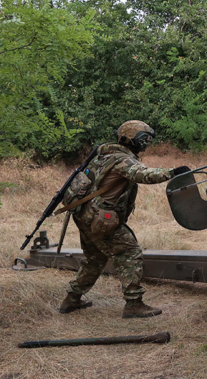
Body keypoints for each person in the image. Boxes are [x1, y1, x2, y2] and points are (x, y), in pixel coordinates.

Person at [58, 120, 190, 318]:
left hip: (84, 215)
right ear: (131, 139)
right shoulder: (122, 160)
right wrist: (171, 173)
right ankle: (133, 304)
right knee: (130, 253)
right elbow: (142, 174)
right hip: (100, 219)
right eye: (144, 139)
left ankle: (71, 300)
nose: (147, 144)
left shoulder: (104, 155)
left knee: (95, 259)